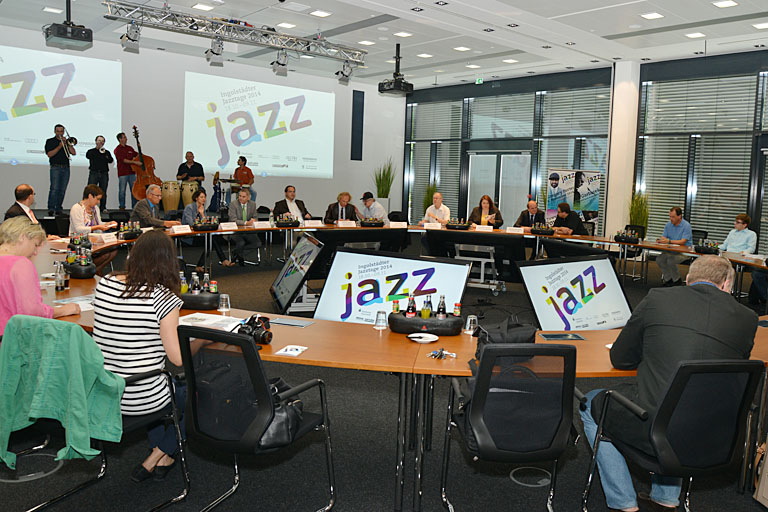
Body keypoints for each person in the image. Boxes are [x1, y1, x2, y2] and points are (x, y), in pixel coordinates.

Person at [580, 255, 757, 512]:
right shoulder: (748, 318)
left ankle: (623, 502)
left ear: (688, 279)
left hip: (655, 430)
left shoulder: (658, 299)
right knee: (682, 397)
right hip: (717, 432)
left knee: (590, 402)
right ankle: (665, 499)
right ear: (727, 284)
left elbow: (620, 358)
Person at [92, 230, 211, 482]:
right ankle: (158, 454)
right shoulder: (162, 298)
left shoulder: (105, 283)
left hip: (105, 393)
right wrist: (202, 339)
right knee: (203, 394)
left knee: (160, 382)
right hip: (141, 398)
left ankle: (161, 456)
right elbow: (178, 359)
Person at [0, 217, 80, 336]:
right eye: (35, 245)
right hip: (12, 340)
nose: (35, 252)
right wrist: (63, 310)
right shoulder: (21, 264)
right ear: (23, 237)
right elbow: (32, 312)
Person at [69, 185, 118, 276]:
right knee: (106, 254)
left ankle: (95, 270)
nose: (98, 202)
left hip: (94, 241)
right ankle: (93, 271)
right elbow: (79, 229)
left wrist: (108, 223)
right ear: (90, 196)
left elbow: (99, 223)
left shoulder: (95, 209)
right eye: (97, 199)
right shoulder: (76, 208)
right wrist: (98, 227)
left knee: (113, 252)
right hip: (80, 242)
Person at [182, 188, 234, 271]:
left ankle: (201, 265)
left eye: (204, 197)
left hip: (201, 234)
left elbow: (206, 223)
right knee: (211, 240)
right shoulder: (189, 208)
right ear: (196, 198)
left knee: (211, 240)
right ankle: (223, 260)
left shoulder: (202, 208)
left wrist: (202, 214)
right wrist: (201, 214)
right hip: (190, 236)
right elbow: (191, 224)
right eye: (201, 197)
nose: (204, 199)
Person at [655, 206, 693, 287]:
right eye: (670, 216)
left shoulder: (686, 226)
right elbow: (664, 237)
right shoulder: (668, 225)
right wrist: (661, 240)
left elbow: (683, 241)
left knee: (670, 260)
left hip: (684, 252)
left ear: (679, 216)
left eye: (673, 217)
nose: (671, 219)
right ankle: (668, 279)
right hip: (671, 251)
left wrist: (669, 241)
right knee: (659, 259)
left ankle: (676, 280)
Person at [45, 124, 74, 216]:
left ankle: (58, 208)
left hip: (66, 168)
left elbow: (73, 152)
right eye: (58, 131)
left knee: (62, 190)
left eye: (61, 131)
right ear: (55, 131)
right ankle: (51, 208)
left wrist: (68, 144)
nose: (60, 133)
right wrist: (59, 146)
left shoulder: (66, 141)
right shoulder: (50, 141)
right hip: (55, 167)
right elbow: (49, 154)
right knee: (54, 189)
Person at [228, 188, 262, 266]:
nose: (240, 198)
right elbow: (233, 220)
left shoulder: (252, 204)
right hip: (235, 231)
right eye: (240, 196)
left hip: (248, 231)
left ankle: (237, 253)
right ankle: (240, 256)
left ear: (248, 198)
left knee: (257, 243)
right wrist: (246, 223)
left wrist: (253, 220)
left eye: (243, 197)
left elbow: (255, 217)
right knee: (241, 243)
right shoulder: (233, 204)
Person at [85, 135, 114, 213]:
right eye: (99, 140)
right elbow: (88, 156)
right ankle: (89, 206)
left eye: (102, 141)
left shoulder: (106, 152)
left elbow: (110, 160)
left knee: (103, 191)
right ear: (96, 142)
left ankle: (103, 207)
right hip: (94, 173)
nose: (101, 142)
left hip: (104, 173)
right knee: (90, 190)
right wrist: (97, 149)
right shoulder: (91, 151)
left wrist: (105, 155)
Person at [114, 132, 141, 210]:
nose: (126, 139)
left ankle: (134, 207)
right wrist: (134, 162)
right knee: (122, 191)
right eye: (124, 137)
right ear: (120, 139)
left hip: (132, 172)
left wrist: (139, 149)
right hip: (123, 173)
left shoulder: (129, 148)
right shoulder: (117, 149)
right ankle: (122, 207)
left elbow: (137, 155)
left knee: (134, 191)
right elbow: (123, 160)